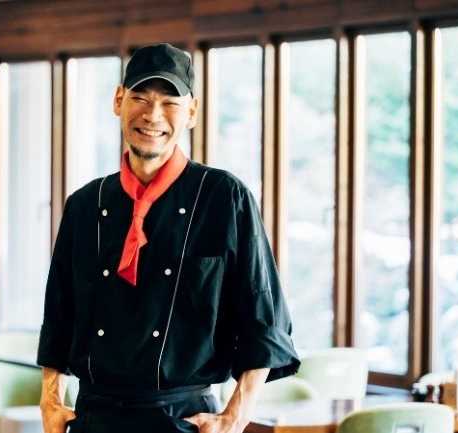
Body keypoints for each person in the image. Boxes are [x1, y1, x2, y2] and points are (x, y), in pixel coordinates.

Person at [37, 43, 300, 433]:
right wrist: (50, 400)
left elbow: (265, 318)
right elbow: (59, 314)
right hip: (93, 417)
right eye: (140, 98)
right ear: (118, 101)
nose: (152, 115)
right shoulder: (85, 204)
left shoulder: (224, 197)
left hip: (182, 419)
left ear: (191, 112)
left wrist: (235, 416)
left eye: (170, 103)